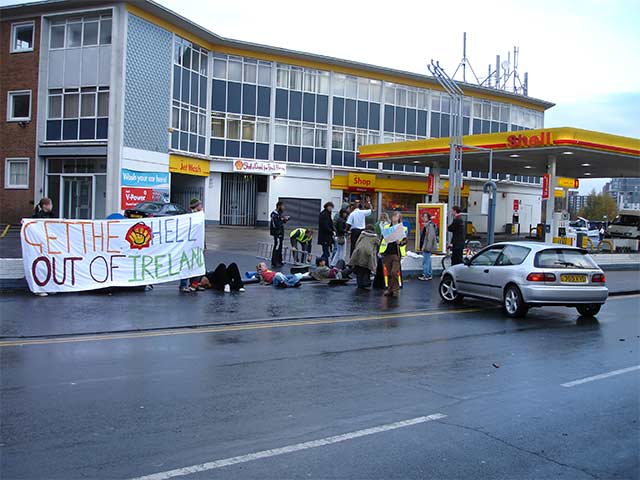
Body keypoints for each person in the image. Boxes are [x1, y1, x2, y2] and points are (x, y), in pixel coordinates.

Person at [179, 198, 205, 293]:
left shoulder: (199, 216)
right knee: (187, 265)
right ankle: (183, 285)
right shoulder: (190, 216)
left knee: (197, 265)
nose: (201, 206)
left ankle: (194, 284)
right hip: (189, 245)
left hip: (197, 244)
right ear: (196, 206)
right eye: (200, 205)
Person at [381, 212, 406, 297]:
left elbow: (405, 240)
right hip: (387, 252)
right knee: (388, 273)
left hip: (396, 253)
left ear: (399, 218)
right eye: (394, 216)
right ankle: (390, 289)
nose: (394, 217)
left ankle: (395, 289)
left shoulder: (401, 228)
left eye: (397, 216)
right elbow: (382, 239)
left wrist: (400, 242)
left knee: (394, 272)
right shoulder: (387, 227)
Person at [347, 224, 379, 289]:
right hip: (368, 252)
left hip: (359, 251)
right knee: (366, 268)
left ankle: (359, 284)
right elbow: (378, 243)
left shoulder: (362, 234)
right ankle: (366, 283)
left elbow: (357, 242)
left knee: (359, 268)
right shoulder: (375, 237)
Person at [418, 212, 437, 281]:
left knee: (426, 261)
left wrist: (427, 247)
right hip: (426, 245)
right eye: (423, 216)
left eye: (425, 217)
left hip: (426, 246)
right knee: (427, 260)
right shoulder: (427, 225)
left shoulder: (429, 226)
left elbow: (430, 237)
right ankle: (428, 274)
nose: (423, 218)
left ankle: (426, 275)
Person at [270, 201, 289, 268]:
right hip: (277, 234)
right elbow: (275, 225)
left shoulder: (278, 214)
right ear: (279, 206)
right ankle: (274, 262)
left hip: (280, 233)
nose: (284, 208)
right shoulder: (274, 214)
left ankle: (279, 261)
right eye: (283, 206)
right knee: (277, 246)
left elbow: (279, 222)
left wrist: (284, 220)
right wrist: (282, 220)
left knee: (280, 247)